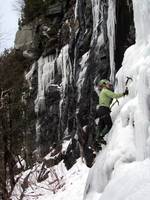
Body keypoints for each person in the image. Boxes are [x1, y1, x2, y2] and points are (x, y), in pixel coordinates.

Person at [95, 79, 128, 148]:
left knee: (101, 125)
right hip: (104, 110)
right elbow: (114, 95)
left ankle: (96, 139)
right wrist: (123, 93)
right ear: (104, 85)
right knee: (109, 125)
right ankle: (100, 137)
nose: (109, 86)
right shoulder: (105, 91)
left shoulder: (101, 92)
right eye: (107, 84)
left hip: (100, 110)